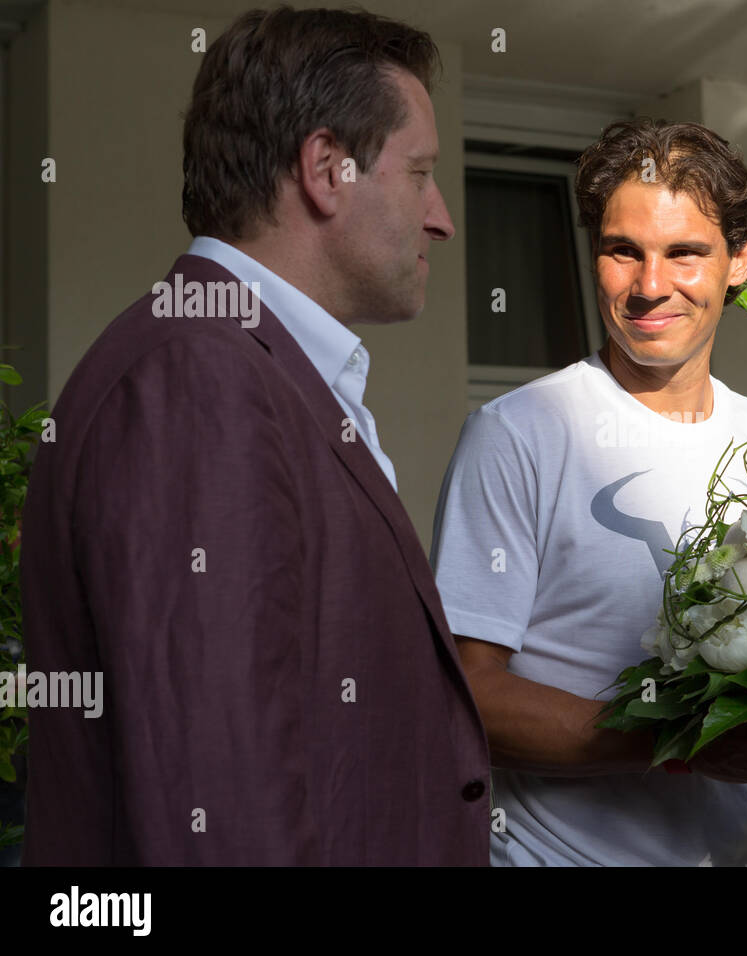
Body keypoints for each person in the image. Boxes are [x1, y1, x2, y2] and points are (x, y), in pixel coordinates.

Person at [20, 6, 489, 865]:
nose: (441, 218)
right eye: (419, 173)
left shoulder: (253, 364)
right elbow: (218, 804)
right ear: (326, 168)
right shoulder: (201, 378)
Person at [431, 119, 747, 866]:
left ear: (741, 258)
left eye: (685, 252)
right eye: (625, 251)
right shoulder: (517, 433)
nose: (651, 287)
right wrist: (687, 742)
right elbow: (463, 694)